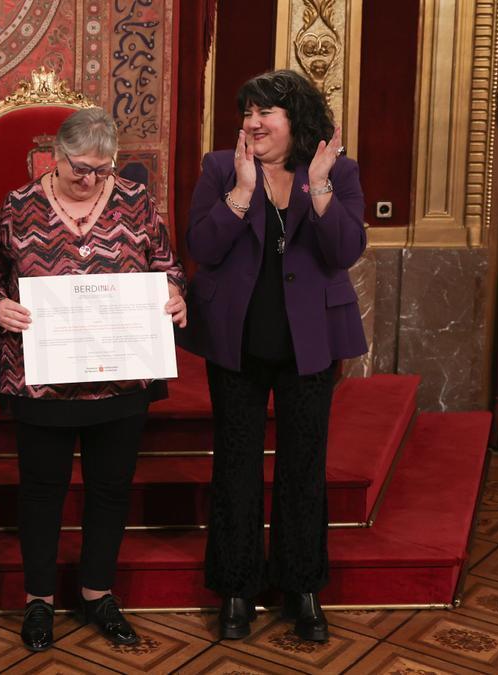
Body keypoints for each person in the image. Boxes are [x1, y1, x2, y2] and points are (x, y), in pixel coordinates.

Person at [0, 107, 187, 651]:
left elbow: (167, 264)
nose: (91, 178)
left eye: (102, 168)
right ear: (55, 155)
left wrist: (174, 295)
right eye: (80, 167)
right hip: (40, 379)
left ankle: (98, 594)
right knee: (42, 491)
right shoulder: (19, 207)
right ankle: (39, 601)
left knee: (110, 489)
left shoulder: (136, 202)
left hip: (120, 377)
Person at [181, 69, 367, 643]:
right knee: (235, 463)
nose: (252, 123)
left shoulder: (336, 170)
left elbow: (344, 250)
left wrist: (319, 186)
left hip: (309, 341)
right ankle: (236, 588)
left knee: (303, 466)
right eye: (247, 113)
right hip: (236, 339)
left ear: (297, 121)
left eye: (265, 113)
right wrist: (239, 194)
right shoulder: (219, 168)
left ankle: (302, 587)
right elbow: (202, 248)